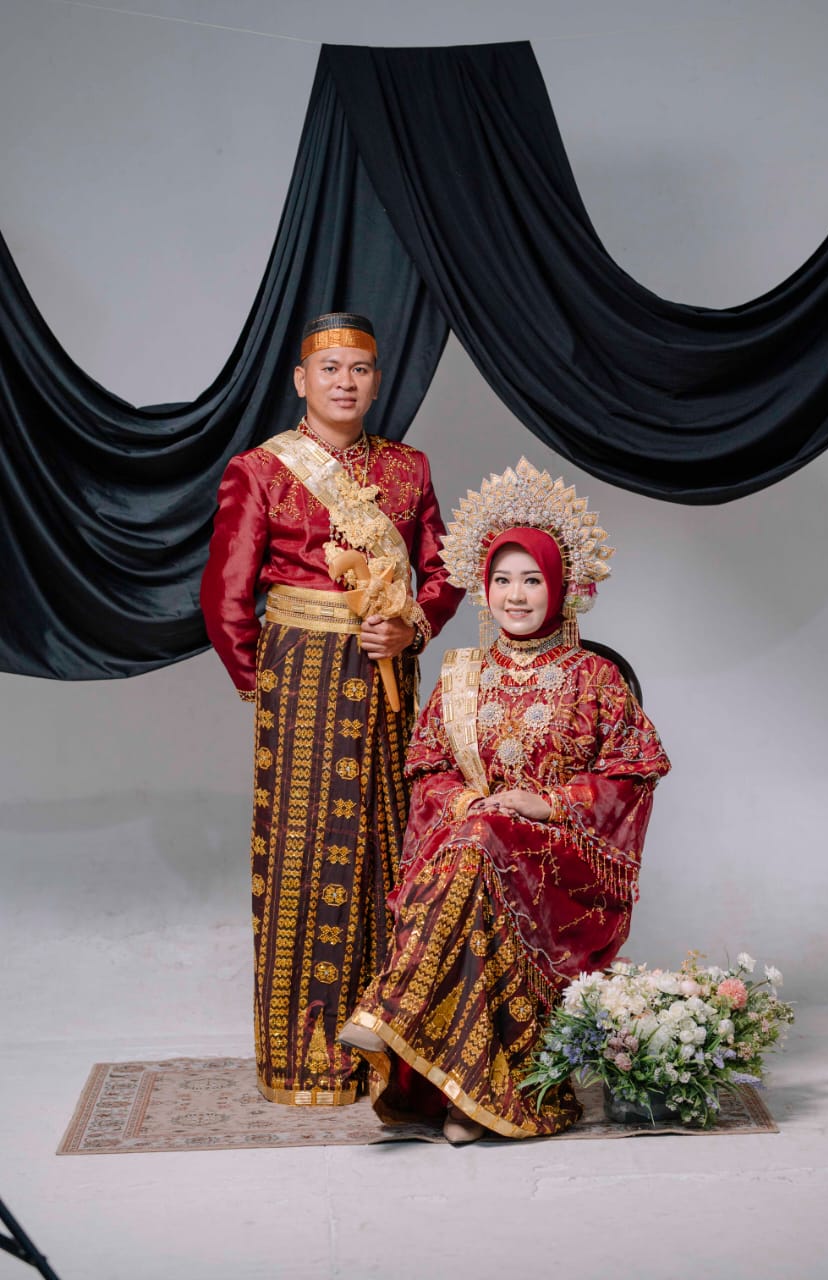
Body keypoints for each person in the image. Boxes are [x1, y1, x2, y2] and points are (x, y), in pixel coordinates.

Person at [339, 459, 670, 1141]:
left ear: (561, 587)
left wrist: (549, 804)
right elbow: (428, 770)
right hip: (476, 844)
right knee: (475, 845)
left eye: (532, 580)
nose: (515, 596)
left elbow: (632, 774)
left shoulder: (595, 677)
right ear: (482, 588)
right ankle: (470, 1101)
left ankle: (392, 1010)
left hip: (561, 863)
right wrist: (470, 804)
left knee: (479, 844)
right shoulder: (463, 674)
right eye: (502, 580)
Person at [200, 312, 463, 1106]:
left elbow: (441, 570)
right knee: (306, 856)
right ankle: (304, 1059)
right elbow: (224, 593)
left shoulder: (408, 468)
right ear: (300, 380)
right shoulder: (259, 470)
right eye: (330, 368)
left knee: (390, 844)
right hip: (302, 679)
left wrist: (413, 625)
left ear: (375, 382)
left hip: (386, 670)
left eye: (360, 369)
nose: (345, 382)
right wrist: (265, 685)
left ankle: (390, 1046)